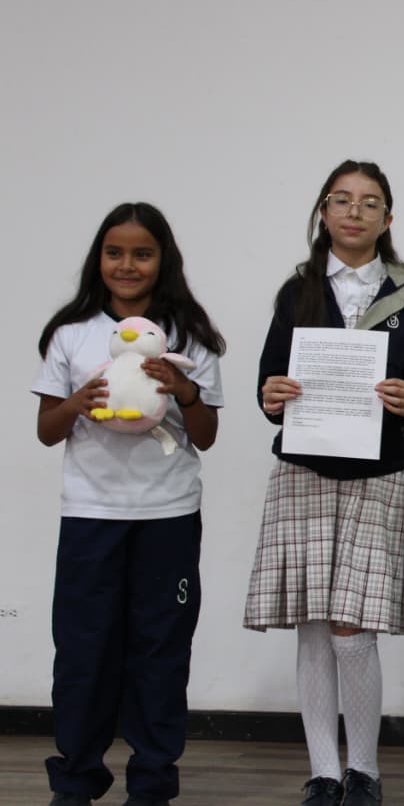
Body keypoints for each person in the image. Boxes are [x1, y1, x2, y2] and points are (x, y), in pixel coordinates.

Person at [243, 160, 404, 806]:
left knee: (354, 629)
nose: (355, 212)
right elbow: (270, 383)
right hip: (304, 468)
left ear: (388, 219)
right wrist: (271, 394)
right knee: (312, 625)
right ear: (323, 212)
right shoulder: (297, 290)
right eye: (342, 200)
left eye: (370, 203)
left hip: (377, 474)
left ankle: (366, 770)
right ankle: (324, 773)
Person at [33, 202, 225, 806]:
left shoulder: (190, 336)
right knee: (84, 648)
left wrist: (186, 390)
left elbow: (208, 434)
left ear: (162, 260)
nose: (127, 264)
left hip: (168, 515)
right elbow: (46, 429)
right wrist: (77, 402)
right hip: (90, 515)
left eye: (142, 253)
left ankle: (152, 780)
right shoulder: (71, 334)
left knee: (161, 649)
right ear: (100, 258)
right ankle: (77, 778)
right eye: (115, 252)